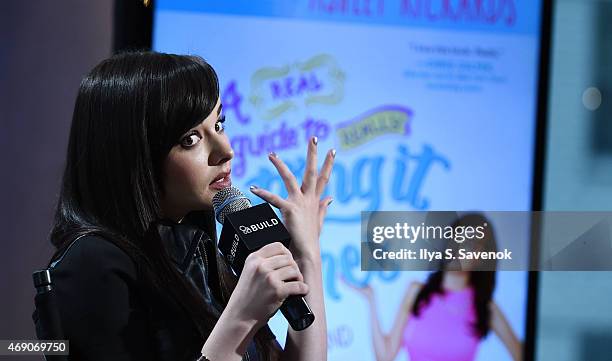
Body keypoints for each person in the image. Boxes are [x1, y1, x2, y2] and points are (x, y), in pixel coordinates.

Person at [39, 51, 334, 361]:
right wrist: (241, 318)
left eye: (219, 125)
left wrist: (306, 254)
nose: (226, 150)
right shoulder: (91, 266)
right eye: (191, 139)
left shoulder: (197, 249)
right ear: (134, 156)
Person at [347, 213, 522, 361]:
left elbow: (522, 353)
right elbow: (385, 356)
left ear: (482, 258)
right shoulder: (417, 292)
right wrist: (371, 300)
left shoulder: (484, 306)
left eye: (473, 245)